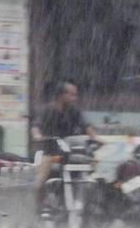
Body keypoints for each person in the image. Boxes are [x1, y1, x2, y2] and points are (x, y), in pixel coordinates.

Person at [31, 80, 99, 208]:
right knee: (39, 183)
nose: (75, 98)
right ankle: (38, 210)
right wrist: (37, 136)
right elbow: (36, 126)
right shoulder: (47, 110)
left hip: (71, 154)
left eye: (75, 95)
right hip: (49, 152)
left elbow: (86, 126)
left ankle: (83, 208)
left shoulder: (75, 111)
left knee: (90, 178)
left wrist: (96, 138)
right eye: (72, 95)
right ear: (61, 95)